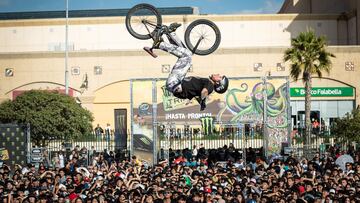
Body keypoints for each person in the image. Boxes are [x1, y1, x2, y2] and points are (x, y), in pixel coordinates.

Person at [145, 23, 229, 111]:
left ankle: (159, 44)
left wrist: (203, 100)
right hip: (176, 83)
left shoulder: (210, 85)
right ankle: (171, 34)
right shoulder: (205, 85)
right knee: (185, 52)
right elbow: (198, 95)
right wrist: (201, 102)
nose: (219, 74)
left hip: (175, 83)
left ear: (218, 83)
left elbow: (204, 92)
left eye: (220, 77)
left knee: (187, 55)